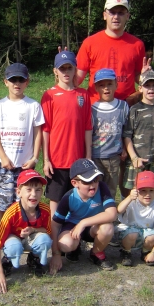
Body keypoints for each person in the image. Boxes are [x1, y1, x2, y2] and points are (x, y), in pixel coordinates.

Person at [0, 63, 45, 224]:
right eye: (13, 80)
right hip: (4, 163)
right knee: (2, 201)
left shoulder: (33, 106)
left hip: (25, 164)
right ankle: (1, 231)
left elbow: (38, 133)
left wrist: (35, 158)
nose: (17, 84)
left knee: (26, 201)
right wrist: (3, 157)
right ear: (6, 82)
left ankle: (22, 231)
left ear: (27, 82)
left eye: (21, 80)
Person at [75, 0, 151, 105]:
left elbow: (137, 76)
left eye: (121, 13)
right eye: (112, 12)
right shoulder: (90, 43)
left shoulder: (137, 45)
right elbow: (77, 77)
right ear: (104, 15)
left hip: (126, 105)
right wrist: (63, 69)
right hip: (96, 106)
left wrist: (145, 76)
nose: (116, 17)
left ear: (127, 16)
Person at [41, 51, 92, 215]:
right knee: (56, 200)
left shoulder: (83, 94)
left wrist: (88, 156)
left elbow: (87, 127)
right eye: (62, 68)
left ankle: (75, 230)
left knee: (78, 198)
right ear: (55, 71)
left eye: (69, 68)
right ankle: (55, 230)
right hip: (57, 160)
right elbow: (45, 130)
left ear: (75, 69)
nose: (66, 72)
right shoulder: (49, 95)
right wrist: (46, 159)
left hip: (77, 159)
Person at [50, 158, 118, 273]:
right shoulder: (68, 197)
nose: (93, 184)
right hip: (73, 227)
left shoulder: (102, 188)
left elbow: (112, 214)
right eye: (87, 181)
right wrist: (56, 254)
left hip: (93, 227)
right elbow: (55, 225)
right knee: (65, 244)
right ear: (74, 183)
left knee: (108, 228)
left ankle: (96, 252)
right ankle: (75, 247)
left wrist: (83, 223)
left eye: (96, 179)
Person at [0, 170, 54, 293]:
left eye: (38, 190)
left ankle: (34, 259)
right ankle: (8, 260)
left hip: (30, 239)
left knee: (45, 240)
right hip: (14, 240)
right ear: (19, 192)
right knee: (13, 246)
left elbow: (47, 231)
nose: (34, 194)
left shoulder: (45, 210)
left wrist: (34, 230)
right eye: (29, 189)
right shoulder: (11, 213)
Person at [122, 70, 154, 195]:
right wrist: (134, 158)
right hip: (137, 161)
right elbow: (127, 136)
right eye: (147, 85)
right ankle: (127, 209)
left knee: (149, 191)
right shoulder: (134, 110)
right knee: (133, 192)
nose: (151, 89)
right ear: (140, 88)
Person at [91, 68, 129, 199]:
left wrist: (124, 148)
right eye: (102, 85)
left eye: (109, 84)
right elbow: (89, 133)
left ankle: (109, 210)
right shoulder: (92, 109)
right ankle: (97, 211)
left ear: (116, 85)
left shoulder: (123, 107)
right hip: (96, 156)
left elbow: (126, 130)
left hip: (114, 157)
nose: (106, 88)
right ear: (96, 88)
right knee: (95, 189)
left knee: (111, 190)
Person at [116, 171, 154, 266]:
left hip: (145, 234)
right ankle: (126, 252)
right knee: (132, 234)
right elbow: (119, 210)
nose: (147, 194)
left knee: (152, 236)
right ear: (136, 190)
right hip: (129, 233)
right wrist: (129, 197)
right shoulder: (132, 201)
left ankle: (146, 252)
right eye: (143, 190)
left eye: (151, 190)